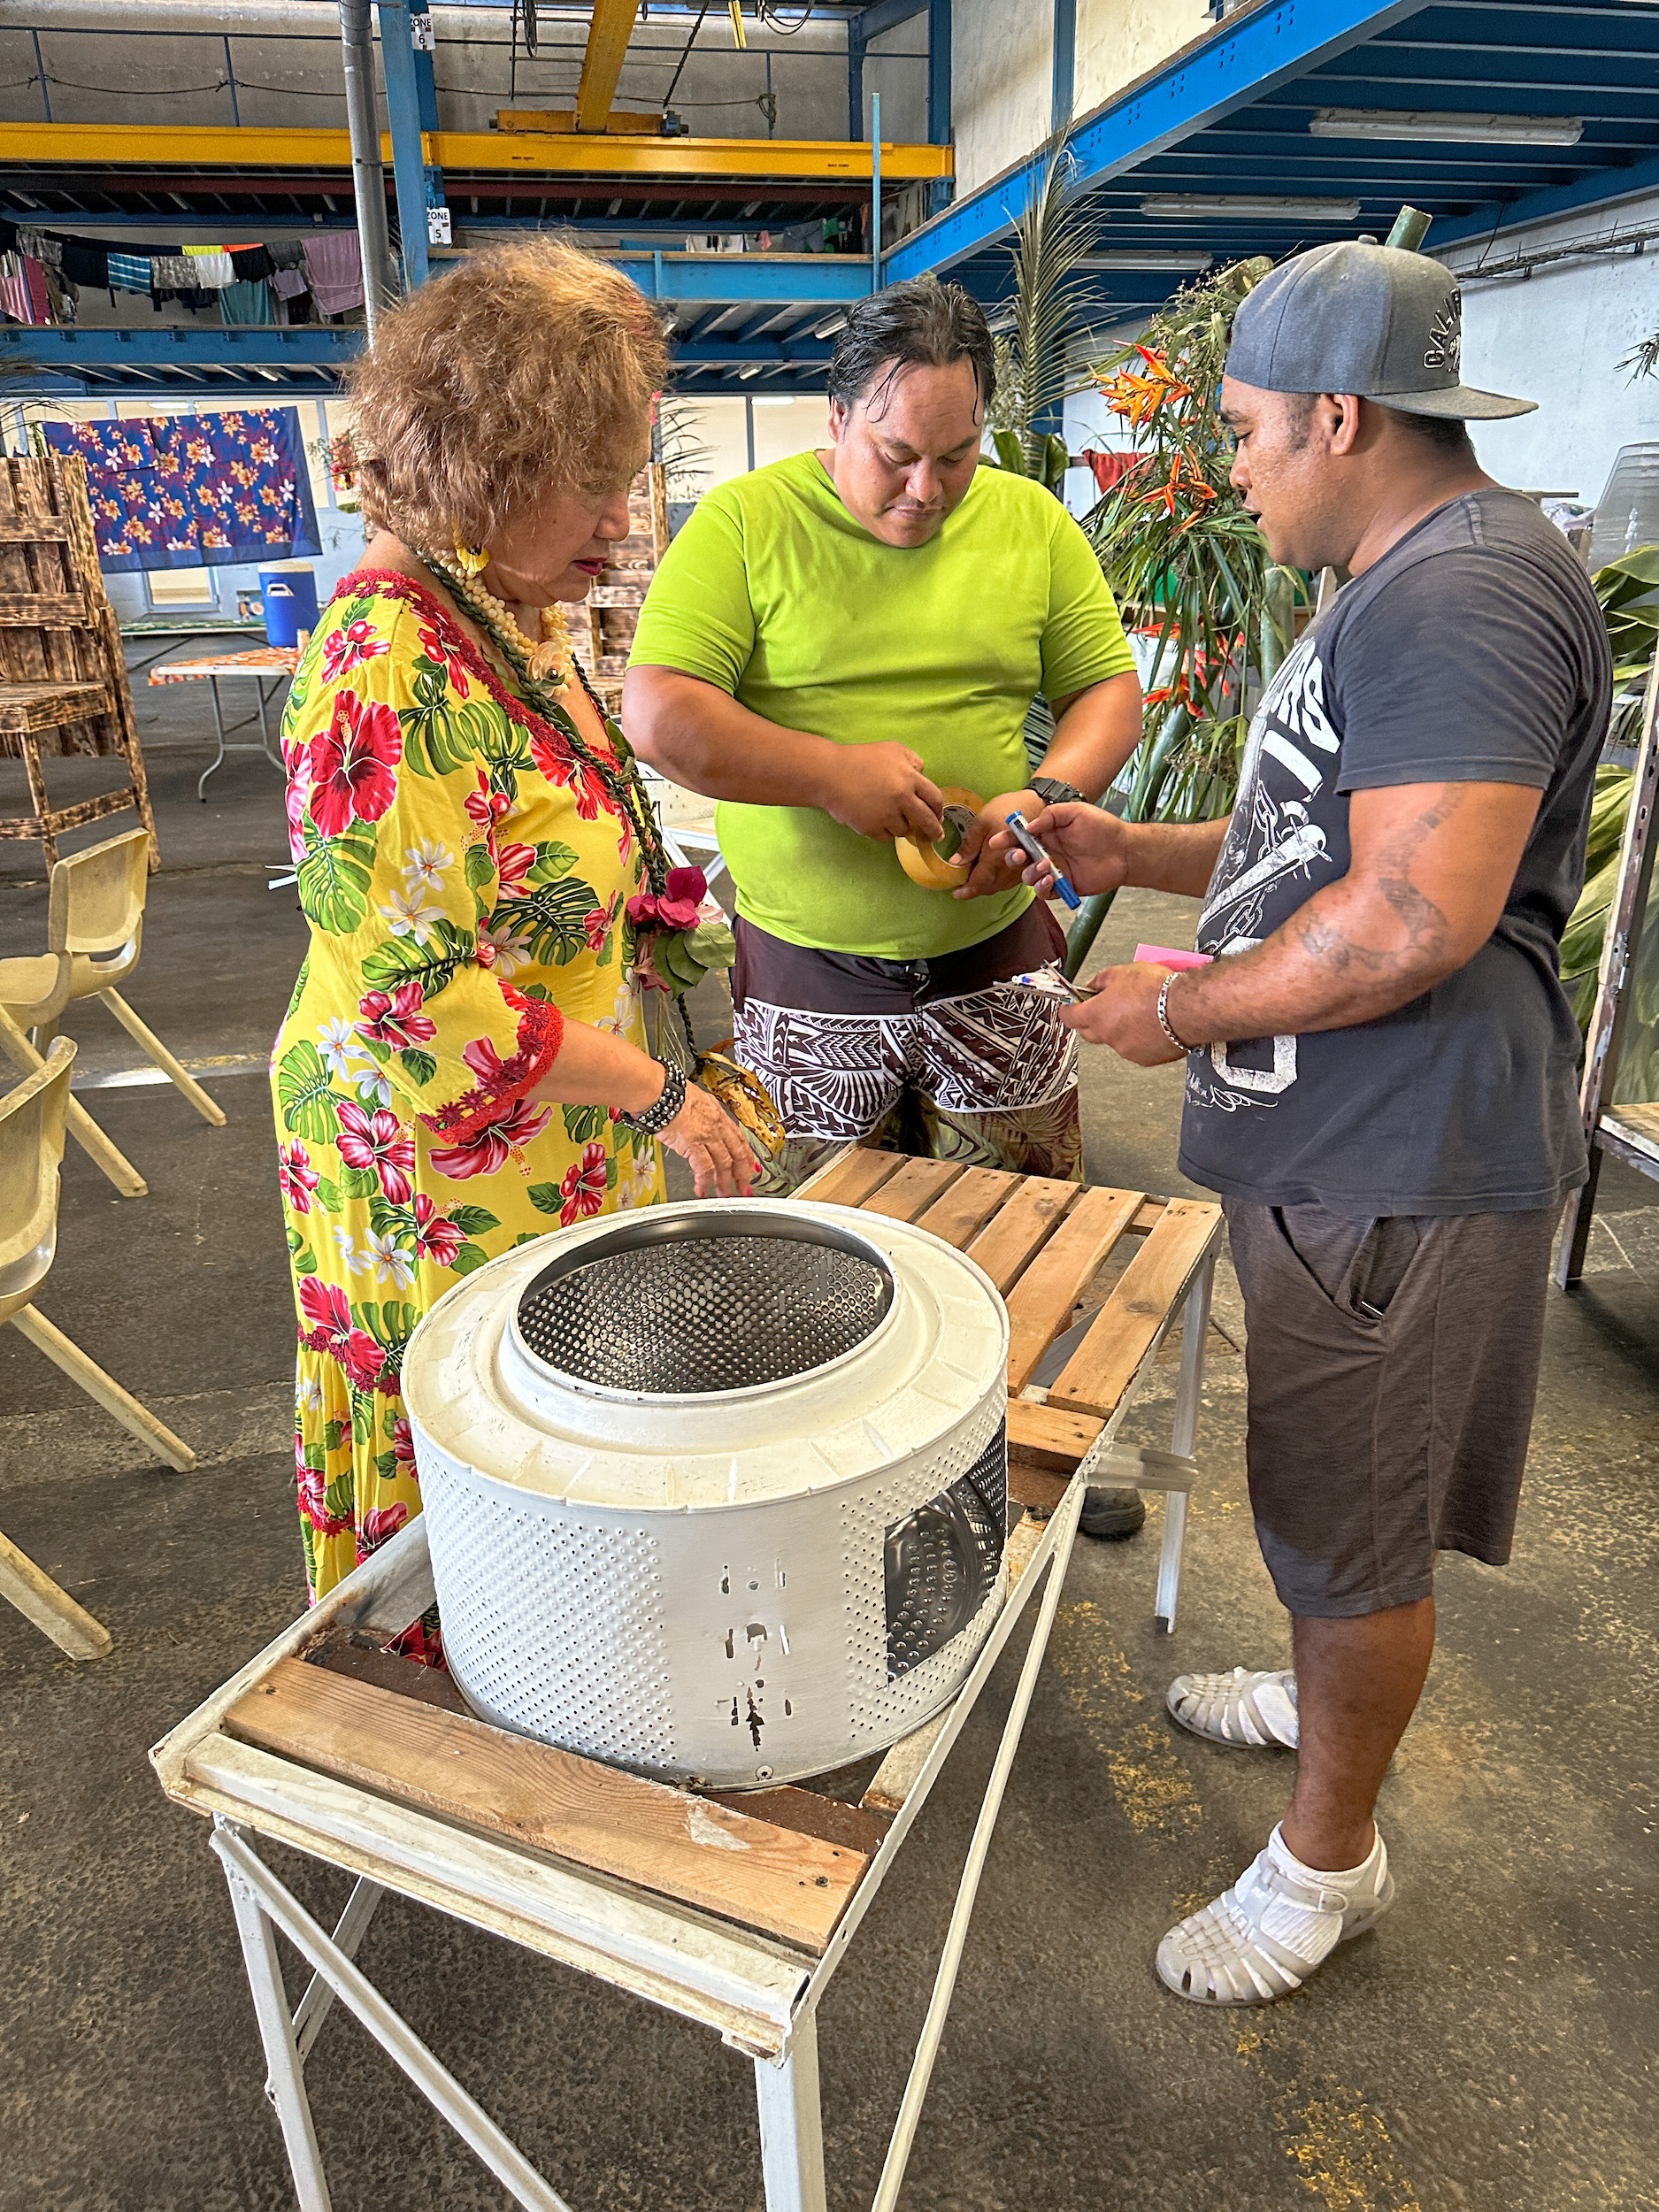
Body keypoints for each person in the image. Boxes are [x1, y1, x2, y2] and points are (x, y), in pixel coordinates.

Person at [994, 241, 1611, 2003]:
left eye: (1252, 429)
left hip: (1399, 1162)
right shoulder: (1397, 576)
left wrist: (1168, 1006)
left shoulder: (1460, 596)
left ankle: (1322, 1862)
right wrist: (1140, 857)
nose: (1240, 463)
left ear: (1339, 413)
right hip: (1340, 1151)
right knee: (1325, 1495)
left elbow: (1413, 914)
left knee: (1356, 1523)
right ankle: (1309, 1676)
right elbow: (1324, 846)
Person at [273, 239, 753, 1608]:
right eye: (593, 480)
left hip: (537, 1134)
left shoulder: (507, 615)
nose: (622, 515)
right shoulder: (383, 667)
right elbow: (421, 1002)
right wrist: (663, 1095)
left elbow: (555, 825)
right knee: (458, 1453)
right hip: (428, 1172)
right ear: (488, 461)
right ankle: (427, 1712)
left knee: (540, 1436)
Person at [624, 277, 1144, 1199]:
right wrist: (826, 775)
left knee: (1018, 1228)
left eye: (957, 455)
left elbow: (1105, 688)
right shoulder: (746, 525)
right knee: (821, 1252)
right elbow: (661, 711)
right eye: (896, 453)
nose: (925, 489)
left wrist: (1047, 795)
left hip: (996, 962)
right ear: (836, 418)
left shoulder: (1030, 520)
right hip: (805, 973)